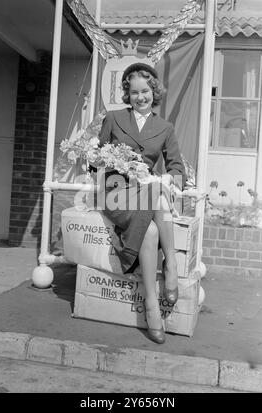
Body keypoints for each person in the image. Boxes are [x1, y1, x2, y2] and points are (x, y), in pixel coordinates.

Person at [97, 62, 186, 344]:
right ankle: (169, 269)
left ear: (154, 91)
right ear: (127, 93)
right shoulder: (112, 118)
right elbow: (94, 159)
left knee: (152, 221)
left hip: (146, 190)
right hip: (115, 191)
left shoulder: (166, 128)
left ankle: (152, 302)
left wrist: (164, 178)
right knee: (156, 192)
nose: (140, 97)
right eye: (134, 92)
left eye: (145, 91)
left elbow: (177, 170)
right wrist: (106, 161)